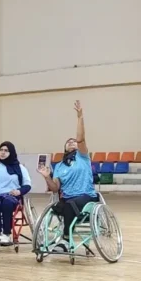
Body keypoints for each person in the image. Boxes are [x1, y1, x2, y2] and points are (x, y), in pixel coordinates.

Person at [38, 101, 99, 246]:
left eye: (74, 141)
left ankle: (65, 239)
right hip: (68, 199)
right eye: (68, 142)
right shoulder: (59, 166)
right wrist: (47, 177)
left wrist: (80, 117)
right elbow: (55, 188)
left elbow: (81, 138)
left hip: (86, 197)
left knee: (69, 204)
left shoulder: (83, 157)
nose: (72, 142)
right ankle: (50, 241)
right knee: (58, 206)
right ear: (64, 147)